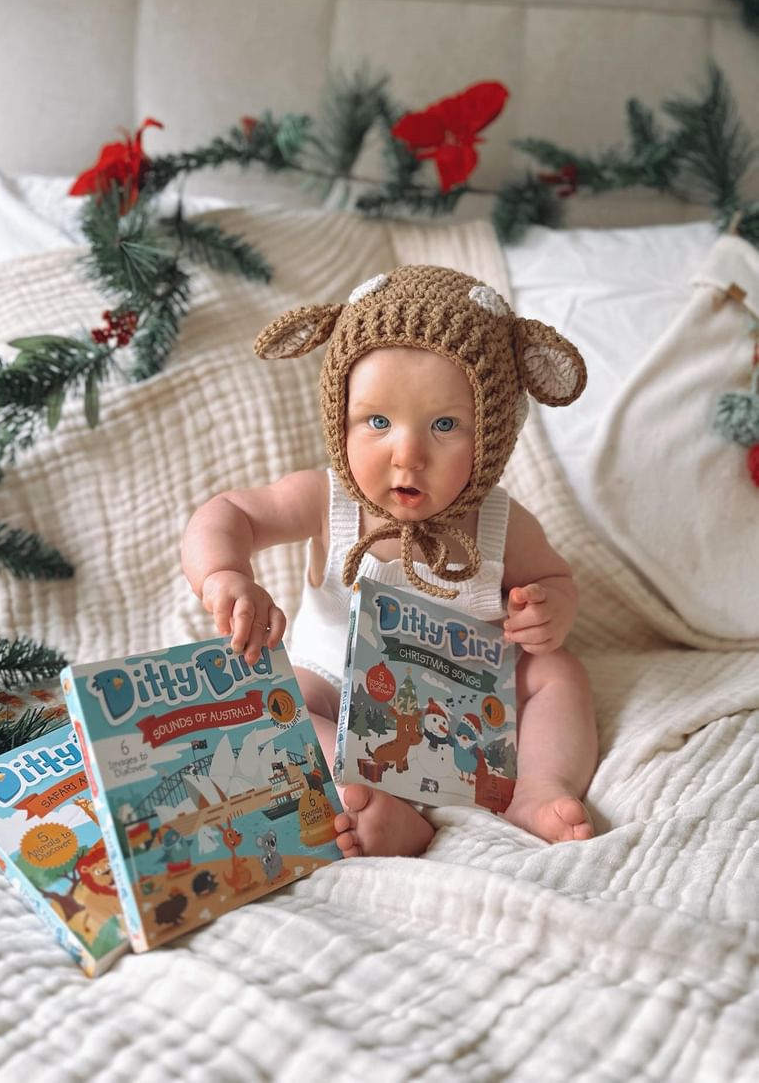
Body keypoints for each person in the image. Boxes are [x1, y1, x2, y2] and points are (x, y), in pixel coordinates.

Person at [181, 265, 598, 858]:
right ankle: (388, 809)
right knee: (276, 703)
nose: (409, 455)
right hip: (336, 689)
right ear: (339, 415)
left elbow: (554, 580)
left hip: (467, 714)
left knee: (559, 674)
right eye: (378, 422)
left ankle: (536, 786)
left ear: (494, 434)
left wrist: (550, 611)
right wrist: (225, 575)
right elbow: (230, 513)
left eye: (445, 425)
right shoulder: (330, 501)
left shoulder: (500, 525)